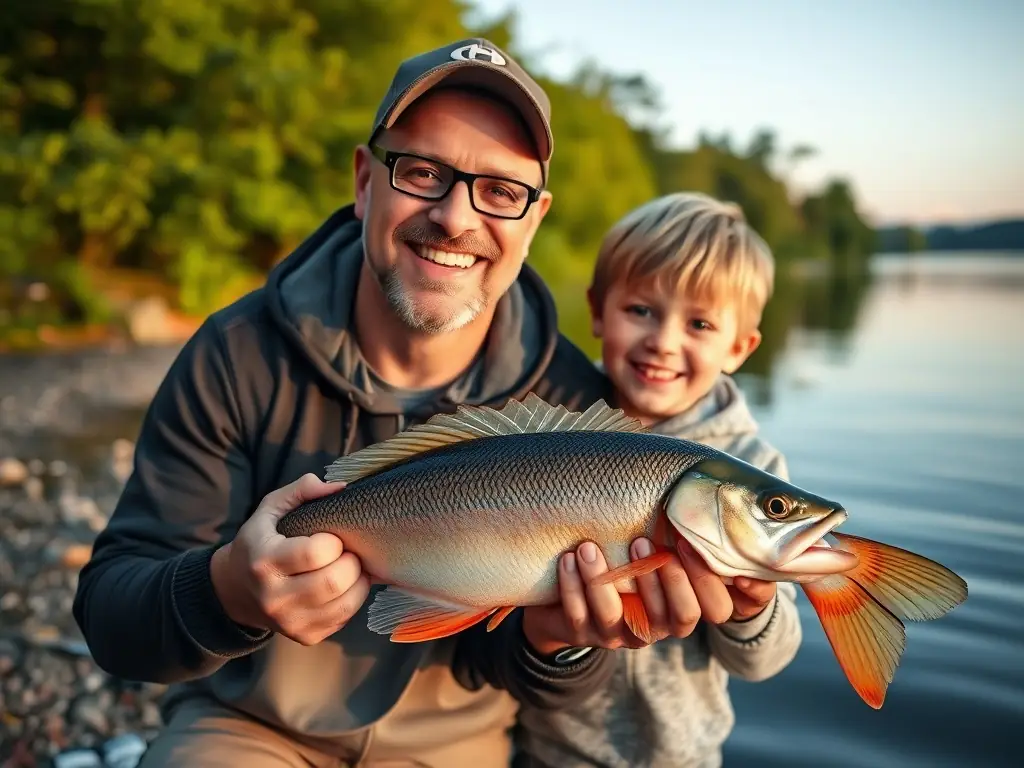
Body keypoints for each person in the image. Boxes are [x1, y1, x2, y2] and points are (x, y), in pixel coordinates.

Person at [72, 41, 741, 768]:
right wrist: (229, 589)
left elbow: (538, 682)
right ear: (365, 181)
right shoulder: (237, 353)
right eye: (422, 172)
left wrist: (560, 640)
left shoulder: (573, 409)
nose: (455, 218)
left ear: (535, 218)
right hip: (249, 727)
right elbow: (113, 621)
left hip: (456, 745)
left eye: (500, 190)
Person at [514, 192, 805, 768]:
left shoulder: (756, 471)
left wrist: (753, 606)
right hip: (548, 751)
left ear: (740, 347)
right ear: (598, 311)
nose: (664, 341)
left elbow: (764, 661)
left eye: (699, 323)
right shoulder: (551, 430)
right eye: (641, 310)